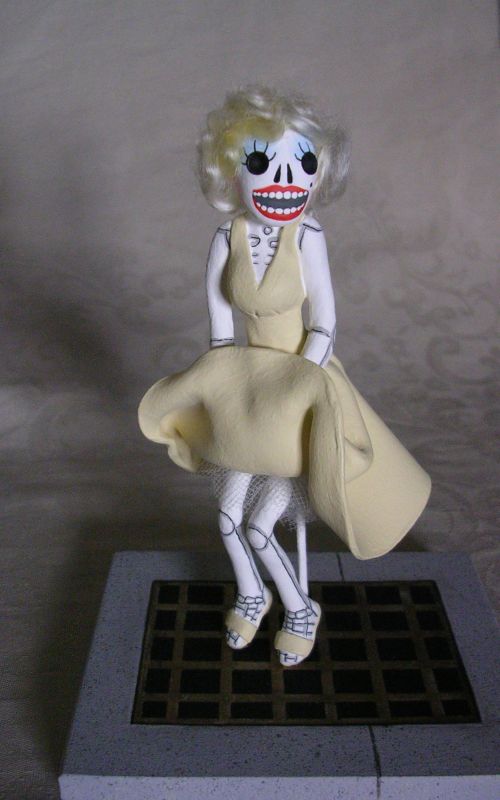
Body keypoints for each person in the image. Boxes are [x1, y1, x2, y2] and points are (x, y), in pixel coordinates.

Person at [139, 86, 431, 666]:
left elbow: (325, 323)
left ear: (320, 173)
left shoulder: (309, 236)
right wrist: (225, 387)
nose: (283, 179)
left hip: (301, 388)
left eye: (302, 164)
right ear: (229, 174)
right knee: (227, 520)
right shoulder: (226, 237)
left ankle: (300, 607)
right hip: (245, 384)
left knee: (259, 527)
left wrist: (297, 382)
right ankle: (252, 594)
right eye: (260, 163)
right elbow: (220, 327)